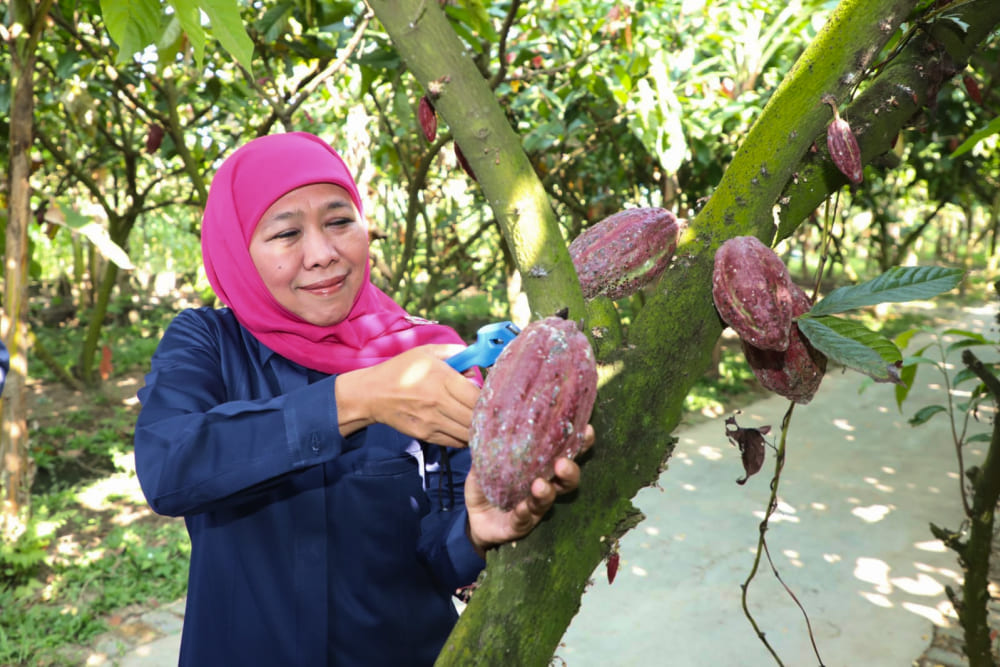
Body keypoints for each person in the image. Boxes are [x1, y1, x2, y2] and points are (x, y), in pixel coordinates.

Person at [133, 131, 593, 666]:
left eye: (339, 221)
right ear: (237, 250)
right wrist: (356, 399)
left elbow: (439, 554)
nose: (323, 254)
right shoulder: (208, 342)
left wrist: (473, 530)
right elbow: (169, 466)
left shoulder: (430, 358)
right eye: (286, 233)